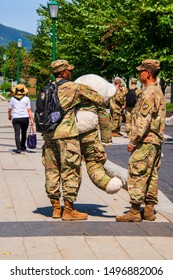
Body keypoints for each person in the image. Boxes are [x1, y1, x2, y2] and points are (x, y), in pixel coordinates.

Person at [42, 59, 119, 221]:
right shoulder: (74, 88)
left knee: (52, 170)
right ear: (63, 73)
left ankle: (55, 207)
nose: (71, 72)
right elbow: (98, 98)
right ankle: (69, 209)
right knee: (71, 170)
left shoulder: (46, 88)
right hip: (67, 135)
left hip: (49, 135)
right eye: (68, 70)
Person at [116, 59, 166, 222]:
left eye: (141, 71)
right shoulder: (157, 91)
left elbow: (144, 120)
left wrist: (133, 141)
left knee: (137, 173)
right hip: (155, 141)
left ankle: (135, 211)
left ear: (148, 73)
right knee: (151, 175)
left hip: (145, 140)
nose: (139, 74)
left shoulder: (149, 92)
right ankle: (149, 210)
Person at [8, 84, 34, 153]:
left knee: (17, 133)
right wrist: (31, 119)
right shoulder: (26, 99)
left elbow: (10, 109)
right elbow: (29, 110)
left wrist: (9, 115)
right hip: (25, 118)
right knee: (24, 132)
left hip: (16, 118)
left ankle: (18, 148)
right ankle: (23, 146)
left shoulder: (12, 99)